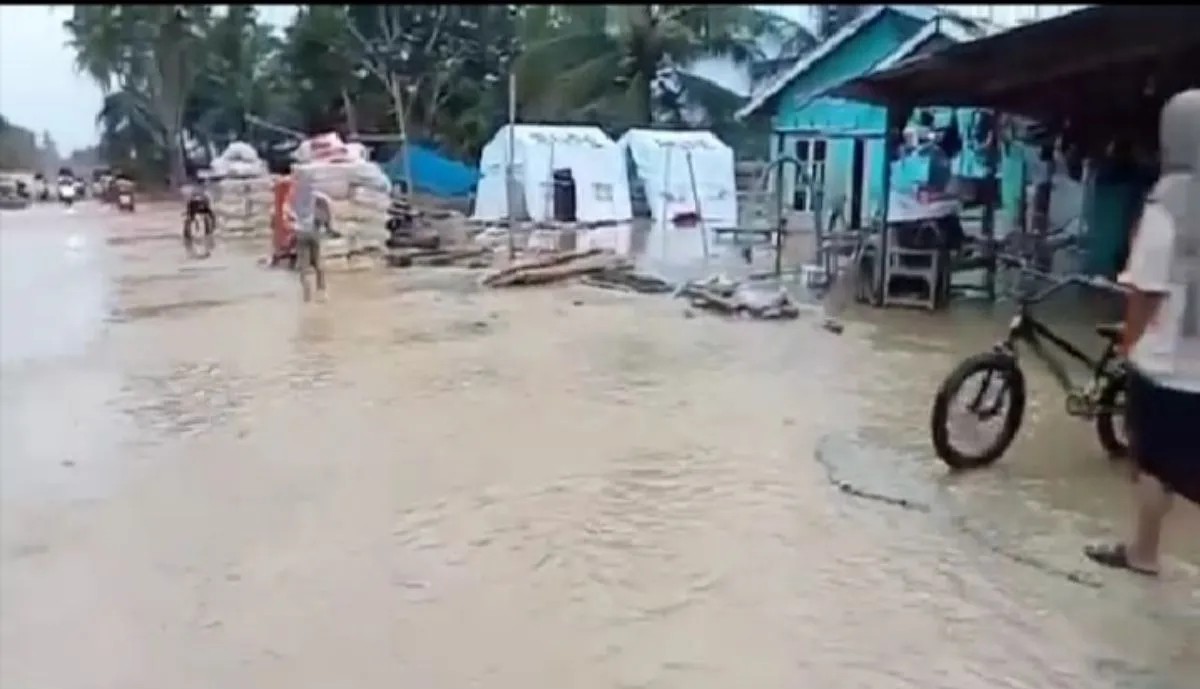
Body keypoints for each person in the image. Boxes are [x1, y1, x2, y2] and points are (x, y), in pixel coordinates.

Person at [1084, 89, 1200, 577]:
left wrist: (1127, 343)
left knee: (1152, 464)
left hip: (1166, 364)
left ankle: (1144, 554)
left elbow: (1146, 291)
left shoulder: (1167, 204)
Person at [290, 104, 347, 302]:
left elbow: (288, 214)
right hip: (313, 231)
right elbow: (324, 212)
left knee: (304, 266)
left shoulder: (296, 194)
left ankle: (306, 296)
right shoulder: (319, 195)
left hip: (300, 232)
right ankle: (322, 292)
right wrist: (331, 228)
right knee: (318, 263)